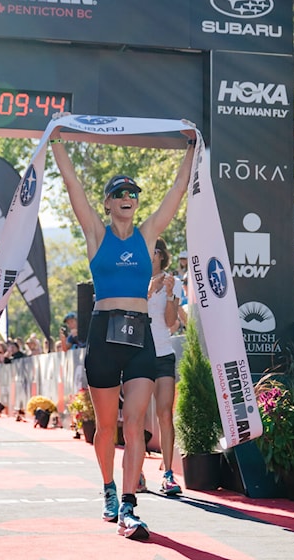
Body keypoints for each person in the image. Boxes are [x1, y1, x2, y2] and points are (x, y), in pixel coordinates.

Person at [51, 124, 195, 540]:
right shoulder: (97, 234)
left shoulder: (149, 234)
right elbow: (72, 182)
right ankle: (109, 488)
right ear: (110, 202)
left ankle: (129, 506)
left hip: (140, 336)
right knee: (105, 427)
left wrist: (190, 147)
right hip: (103, 334)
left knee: (135, 425)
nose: (129, 199)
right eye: (121, 194)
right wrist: (57, 140)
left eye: (134, 194)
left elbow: (177, 191)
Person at [146, 238, 182, 496]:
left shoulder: (174, 282)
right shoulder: (134, 279)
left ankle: (168, 473)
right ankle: (135, 473)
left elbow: (171, 323)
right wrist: (150, 287)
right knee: (135, 418)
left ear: (161, 255)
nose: (149, 254)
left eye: (153, 250)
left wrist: (169, 295)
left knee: (165, 414)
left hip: (163, 354)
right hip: (137, 354)